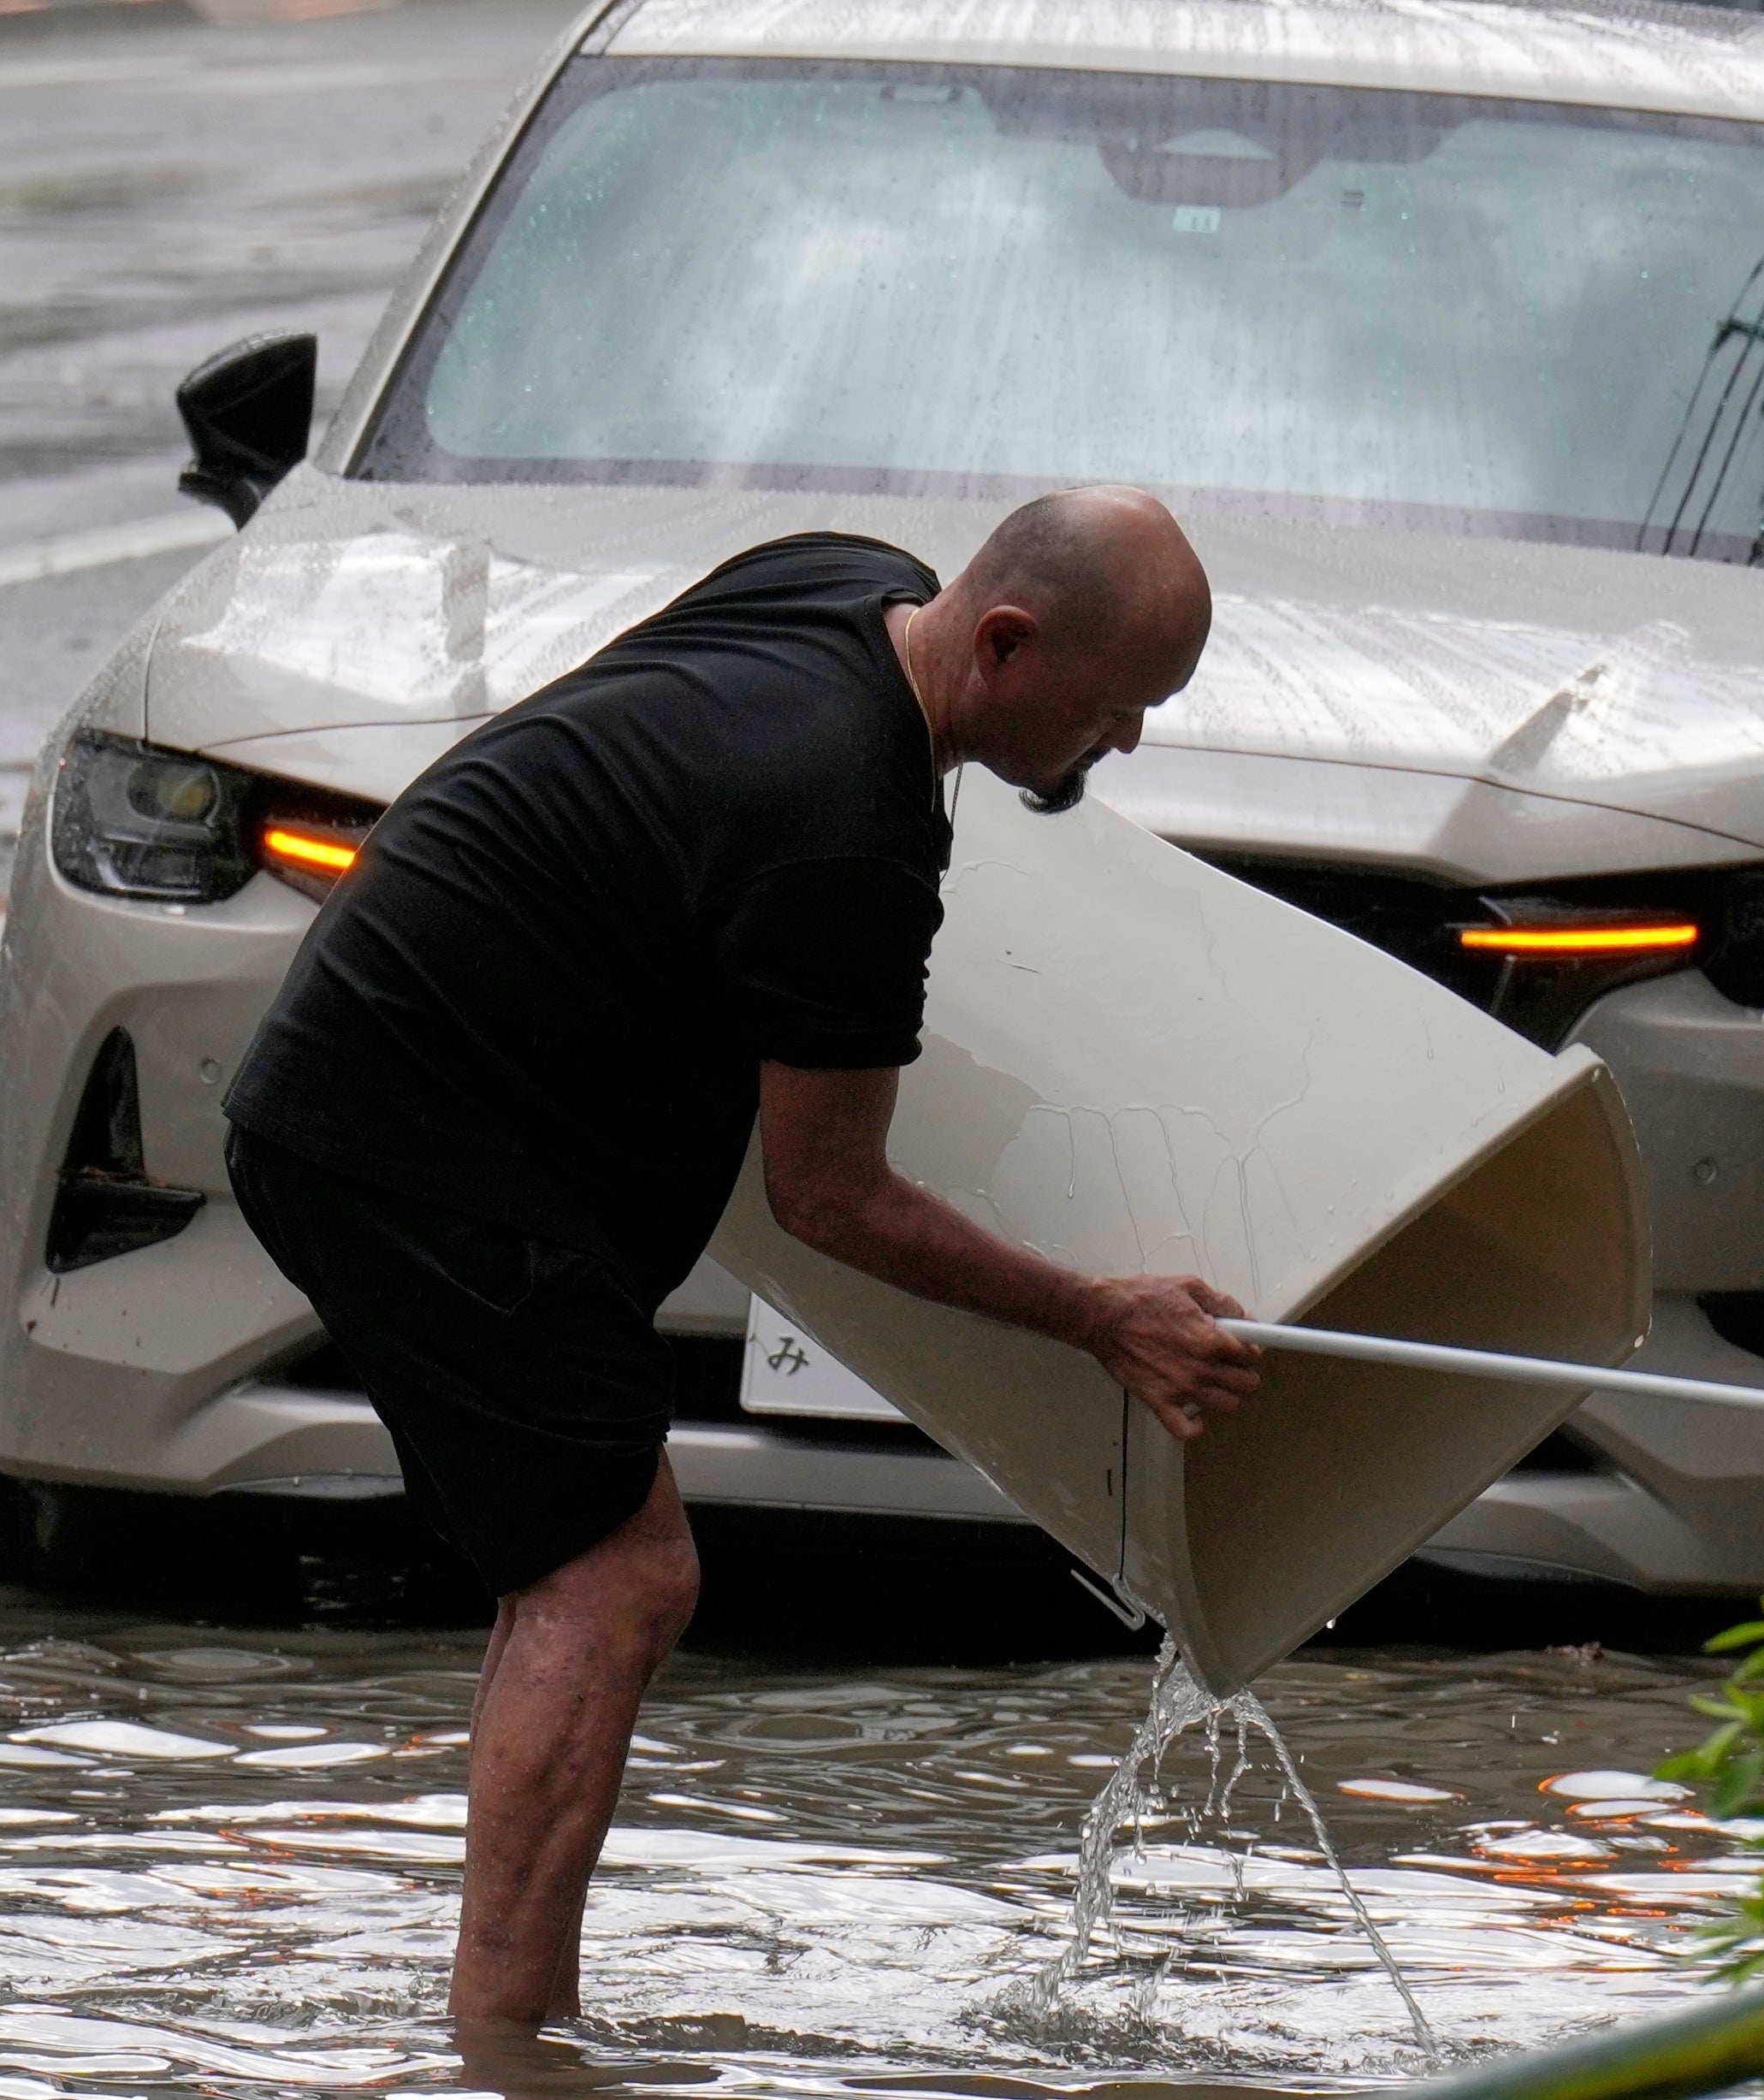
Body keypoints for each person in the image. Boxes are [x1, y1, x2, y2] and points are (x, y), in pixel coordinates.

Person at [222, 485, 1261, 2031]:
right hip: (413, 1138)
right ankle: (511, 2039)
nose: (1119, 747)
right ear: (1002, 641)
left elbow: (642, 790)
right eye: (1114, 710)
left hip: (404, 1068)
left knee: (577, 1567)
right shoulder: (843, 829)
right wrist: (1096, 1317)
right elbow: (831, 1197)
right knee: (614, 1577)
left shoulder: (845, 586)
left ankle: (505, 2016)